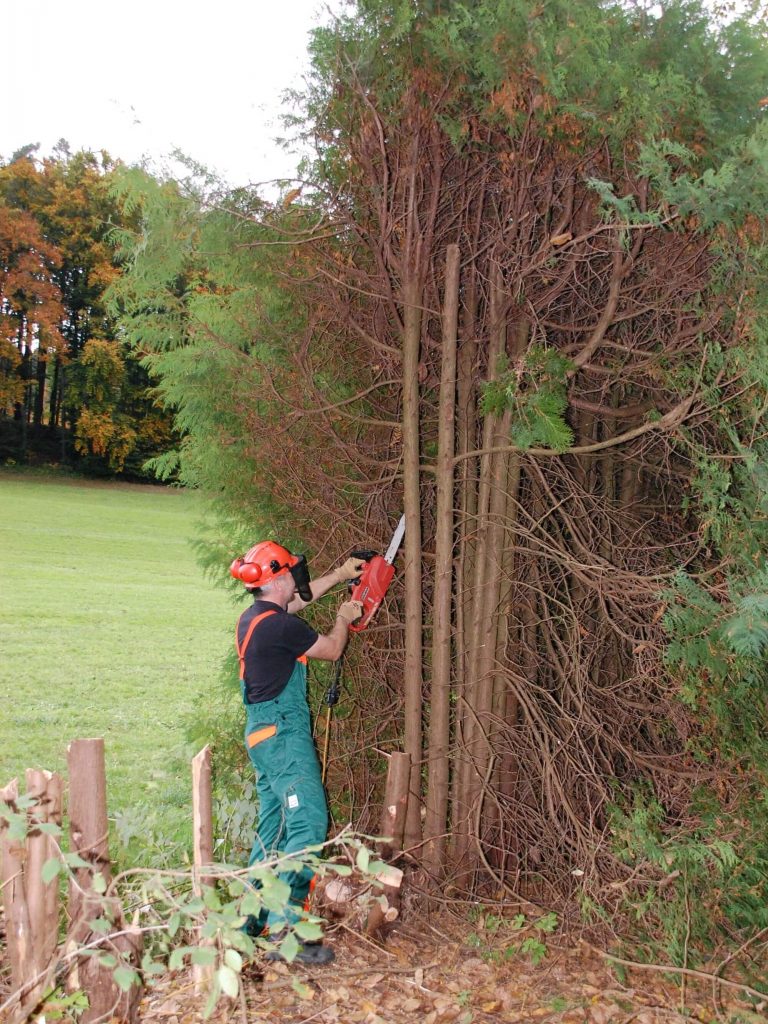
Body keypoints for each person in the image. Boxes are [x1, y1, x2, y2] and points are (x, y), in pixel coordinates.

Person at [230, 540, 364, 966]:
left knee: (272, 833)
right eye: (291, 572)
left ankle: (245, 929)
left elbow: (297, 605)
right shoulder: (279, 627)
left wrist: (342, 575)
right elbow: (330, 648)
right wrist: (344, 617)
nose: (297, 578)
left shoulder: (257, 617)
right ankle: (291, 934)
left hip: (262, 736)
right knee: (307, 823)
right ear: (279, 578)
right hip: (284, 739)